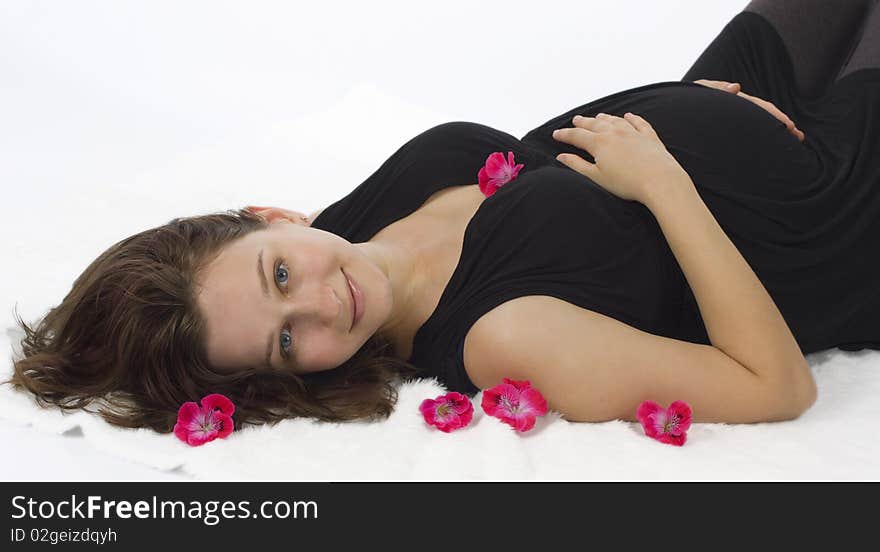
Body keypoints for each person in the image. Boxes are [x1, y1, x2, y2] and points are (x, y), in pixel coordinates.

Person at [8, 0, 880, 432]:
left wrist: (685, 109)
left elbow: (550, 166)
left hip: (750, 104)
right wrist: (665, 179)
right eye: (285, 342)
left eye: (279, 273)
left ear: (267, 215)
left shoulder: (351, 228)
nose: (321, 306)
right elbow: (776, 388)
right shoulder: (500, 338)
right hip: (842, 212)